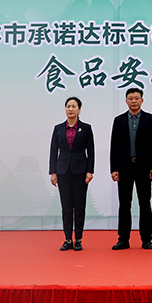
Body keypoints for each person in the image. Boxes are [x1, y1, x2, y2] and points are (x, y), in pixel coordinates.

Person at [110, 88, 152, 250]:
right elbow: (114, 146)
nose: (133, 101)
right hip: (124, 167)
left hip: (144, 167)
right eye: (130, 98)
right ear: (126, 101)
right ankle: (123, 239)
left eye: (136, 98)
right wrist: (114, 168)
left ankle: (146, 239)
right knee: (124, 204)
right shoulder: (119, 120)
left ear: (142, 100)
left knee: (144, 203)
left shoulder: (150, 119)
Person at [49, 96, 94, 252]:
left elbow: (91, 151)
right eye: (68, 106)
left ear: (79, 109)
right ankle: (68, 239)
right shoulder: (58, 129)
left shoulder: (86, 128)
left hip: (80, 171)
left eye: (74, 106)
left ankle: (79, 239)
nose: (71, 109)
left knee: (79, 206)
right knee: (66, 207)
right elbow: (54, 151)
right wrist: (53, 172)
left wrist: (90, 171)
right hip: (63, 171)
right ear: (65, 109)